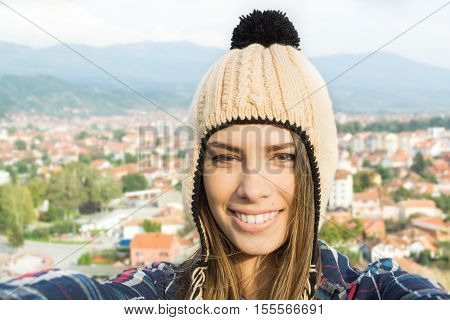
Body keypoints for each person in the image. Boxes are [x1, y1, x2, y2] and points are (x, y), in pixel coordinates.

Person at [0, 9, 449, 300]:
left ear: (317, 169)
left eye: (282, 158)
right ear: (197, 173)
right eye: (225, 157)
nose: (252, 188)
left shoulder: (374, 294)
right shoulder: (158, 294)